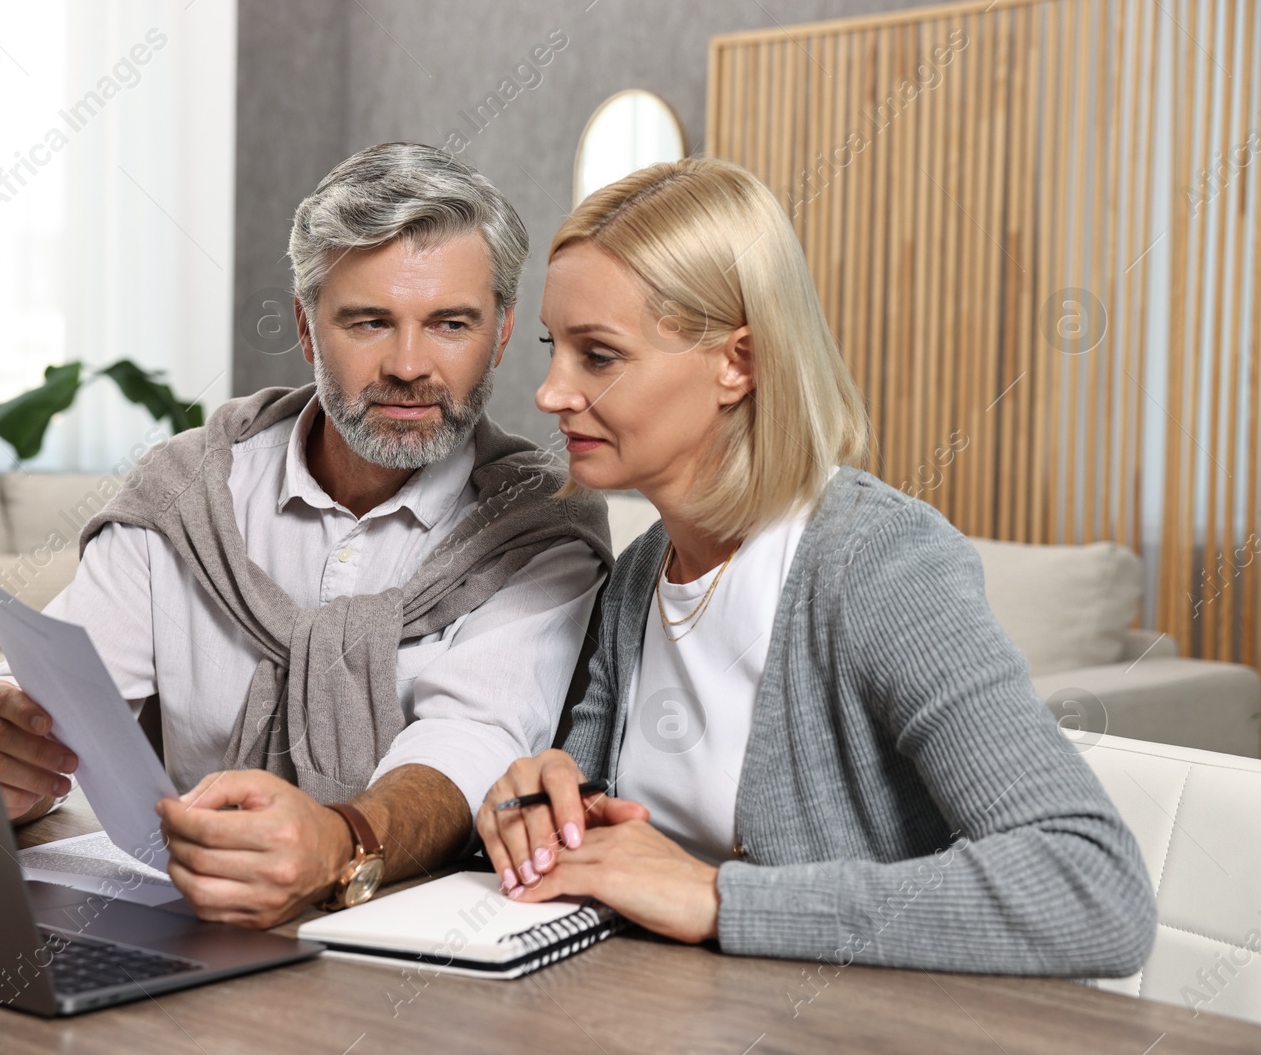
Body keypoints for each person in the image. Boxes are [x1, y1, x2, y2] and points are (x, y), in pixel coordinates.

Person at [475, 157, 1156, 976]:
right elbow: (591, 836)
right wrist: (540, 810)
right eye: (555, 348)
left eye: (599, 355)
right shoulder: (638, 575)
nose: (550, 392)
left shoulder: (876, 564)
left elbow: (1092, 887)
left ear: (740, 362)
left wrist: (720, 899)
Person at [0, 143, 611, 928]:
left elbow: (473, 740)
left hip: (411, 944)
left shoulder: (539, 527)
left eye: (451, 323)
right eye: (369, 321)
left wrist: (340, 840)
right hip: (185, 924)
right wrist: (7, 748)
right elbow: (67, 684)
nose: (409, 365)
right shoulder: (185, 491)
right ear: (308, 329)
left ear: (503, 332)